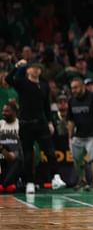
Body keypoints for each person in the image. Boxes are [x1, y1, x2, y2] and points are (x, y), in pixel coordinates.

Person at [5, 59, 66, 194]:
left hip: (41, 123)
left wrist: (50, 122)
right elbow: (9, 79)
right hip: (26, 124)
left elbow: (46, 106)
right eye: (33, 68)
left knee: (50, 151)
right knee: (28, 155)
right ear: (28, 70)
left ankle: (56, 177)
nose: (36, 70)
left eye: (38, 68)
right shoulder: (22, 83)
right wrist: (17, 66)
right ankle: (29, 183)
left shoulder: (44, 85)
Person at [67, 78, 93, 189]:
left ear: (82, 86)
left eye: (76, 87)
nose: (73, 90)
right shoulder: (71, 101)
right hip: (79, 134)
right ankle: (82, 180)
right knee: (76, 158)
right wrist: (70, 136)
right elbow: (71, 120)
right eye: (72, 88)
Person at [0, 101, 23, 193]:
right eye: (3, 111)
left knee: (19, 158)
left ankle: (6, 183)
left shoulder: (20, 125)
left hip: (16, 156)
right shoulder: (1, 124)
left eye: (7, 111)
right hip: (1, 155)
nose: (4, 113)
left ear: (14, 112)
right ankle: (6, 183)